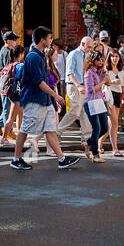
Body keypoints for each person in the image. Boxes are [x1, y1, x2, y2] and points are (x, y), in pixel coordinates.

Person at [11, 26, 79, 172]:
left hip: (45, 99)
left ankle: (61, 159)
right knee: (24, 129)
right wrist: (55, 95)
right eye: (49, 38)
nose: (51, 41)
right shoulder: (33, 57)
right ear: (42, 40)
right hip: (34, 99)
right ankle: (16, 159)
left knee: (50, 129)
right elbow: (39, 81)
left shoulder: (40, 55)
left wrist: (52, 99)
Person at [57, 36, 93, 141]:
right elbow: (70, 73)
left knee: (84, 111)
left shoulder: (86, 54)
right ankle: (57, 131)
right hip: (73, 85)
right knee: (75, 111)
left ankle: (87, 136)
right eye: (89, 47)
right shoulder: (73, 54)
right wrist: (78, 85)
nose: (90, 49)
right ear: (82, 44)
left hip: (83, 85)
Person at [82, 49, 109, 162]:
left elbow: (109, 83)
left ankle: (88, 143)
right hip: (91, 102)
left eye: (101, 59)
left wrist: (105, 75)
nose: (101, 61)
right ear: (92, 60)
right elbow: (91, 90)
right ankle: (95, 155)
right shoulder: (89, 73)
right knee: (96, 128)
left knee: (104, 128)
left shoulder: (99, 72)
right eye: (98, 59)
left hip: (99, 102)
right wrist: (102, 82)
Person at [98, 47, 124, 156]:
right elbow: (103, 82)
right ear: (109, 58)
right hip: (110, 95)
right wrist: (113, 81)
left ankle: (100, 141)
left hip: (118, 95)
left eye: (116, 56)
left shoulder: (121, 70)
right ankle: (115, 148)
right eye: (112, 56)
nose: (115, 58)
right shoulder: (106, 69)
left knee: (112, 124)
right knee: (115, 123)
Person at [0, 46, 26, 146]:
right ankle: (4, 138)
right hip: (17, 94)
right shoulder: (20, 66)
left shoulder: (8, 65)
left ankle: (20, 135)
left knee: (20, 114)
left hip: (11, 93)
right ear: (21, 54)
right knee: (12, 117)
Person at [0, 31, 18, 130]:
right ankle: (8, 131)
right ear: (8, 41)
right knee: (7, 107)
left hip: (3, 82)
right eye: (14, 40)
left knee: (7, 105)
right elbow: (9, 67)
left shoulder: (5, 50)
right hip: (5, 82)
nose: (16, 41)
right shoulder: (6, 51)